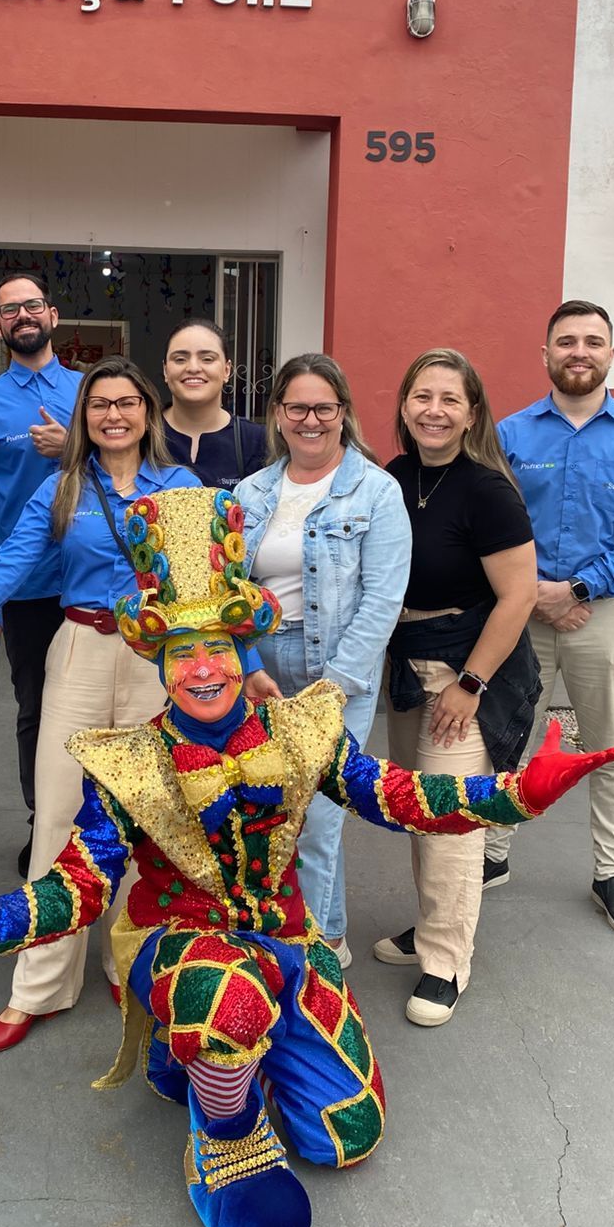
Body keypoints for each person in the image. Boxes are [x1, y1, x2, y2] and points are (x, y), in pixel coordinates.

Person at [0, 485, 614, 1227]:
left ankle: (206, 1054)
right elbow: (76, 887)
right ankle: (227, 1132)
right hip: (177, 940)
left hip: (286, 941)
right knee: (228, 1002)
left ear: (243, 651)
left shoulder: (300, 729)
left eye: (217, 646)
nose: (203, 668)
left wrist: (516, 795)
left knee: (346, 1134)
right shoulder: (132, 761)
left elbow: (396, 796)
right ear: (159, 663)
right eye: (182, 652)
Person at [0, 356, 201, 1050]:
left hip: (156, 660)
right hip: (80, 648)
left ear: (148, 411)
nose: (113, 415)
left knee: (152, 816)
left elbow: (206, 589)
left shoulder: (181, 487)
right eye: (99, 405)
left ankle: (133, 966)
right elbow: (7, 565)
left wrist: (246, 669)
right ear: (84, 417)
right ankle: (40, 986)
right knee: (58, 814)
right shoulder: (63, 487)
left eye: (126, 402)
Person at [485, 301, 614, 937]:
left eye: (593, 341)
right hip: (520, 611)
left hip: (605, 613)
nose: (579, 352)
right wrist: (536, 593)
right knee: (505, 738)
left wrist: (576, 588)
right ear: (546, 354)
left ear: (611, 354)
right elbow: (493, 523)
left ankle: (613, 871)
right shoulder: (510, 435)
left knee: (609, 746)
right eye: (566, 341)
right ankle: (491, 854)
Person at [373, 350, 539, 1025]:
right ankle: (432, 925)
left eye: (449, 399)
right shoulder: (394, 477)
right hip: (407, 667)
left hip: (467, 669)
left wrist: (471, 683)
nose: (434, 410)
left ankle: (446, 960)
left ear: (472, 414)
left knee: (450, 818)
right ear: (404, 404)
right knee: (419, 809)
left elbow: (520, 595)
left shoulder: (487, 491)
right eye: (422, 396)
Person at [235, 354, 411, 965]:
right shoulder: (251, 492)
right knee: (268, 808)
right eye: (298, 408)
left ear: (343, 413)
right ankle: (326, 934)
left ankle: (307, 955)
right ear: (278, 414)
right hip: (261, 667)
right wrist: (248, 664)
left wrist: (335, 683)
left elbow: (384, 597)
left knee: (319, 817)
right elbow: (234, 592)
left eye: (323, 408)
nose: (310, 420)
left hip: (337, 665)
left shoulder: (377, 491)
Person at [0, 271, 81, 878]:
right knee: (35, 707)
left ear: (52, 315)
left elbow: (133, 465)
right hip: (27, 586)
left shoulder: (92, 392)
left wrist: (73, 448)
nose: (23, 316)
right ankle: (44, 821)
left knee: (105, 702)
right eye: (10, 310)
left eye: (32, 305)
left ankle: (101, 820)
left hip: (94, 578)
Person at [161, 319, 268, 490]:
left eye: (207, 359)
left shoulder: (257, 441)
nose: (193, 368)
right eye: (180, 359)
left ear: (227, 370)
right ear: (166, 370)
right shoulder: (143, 435)